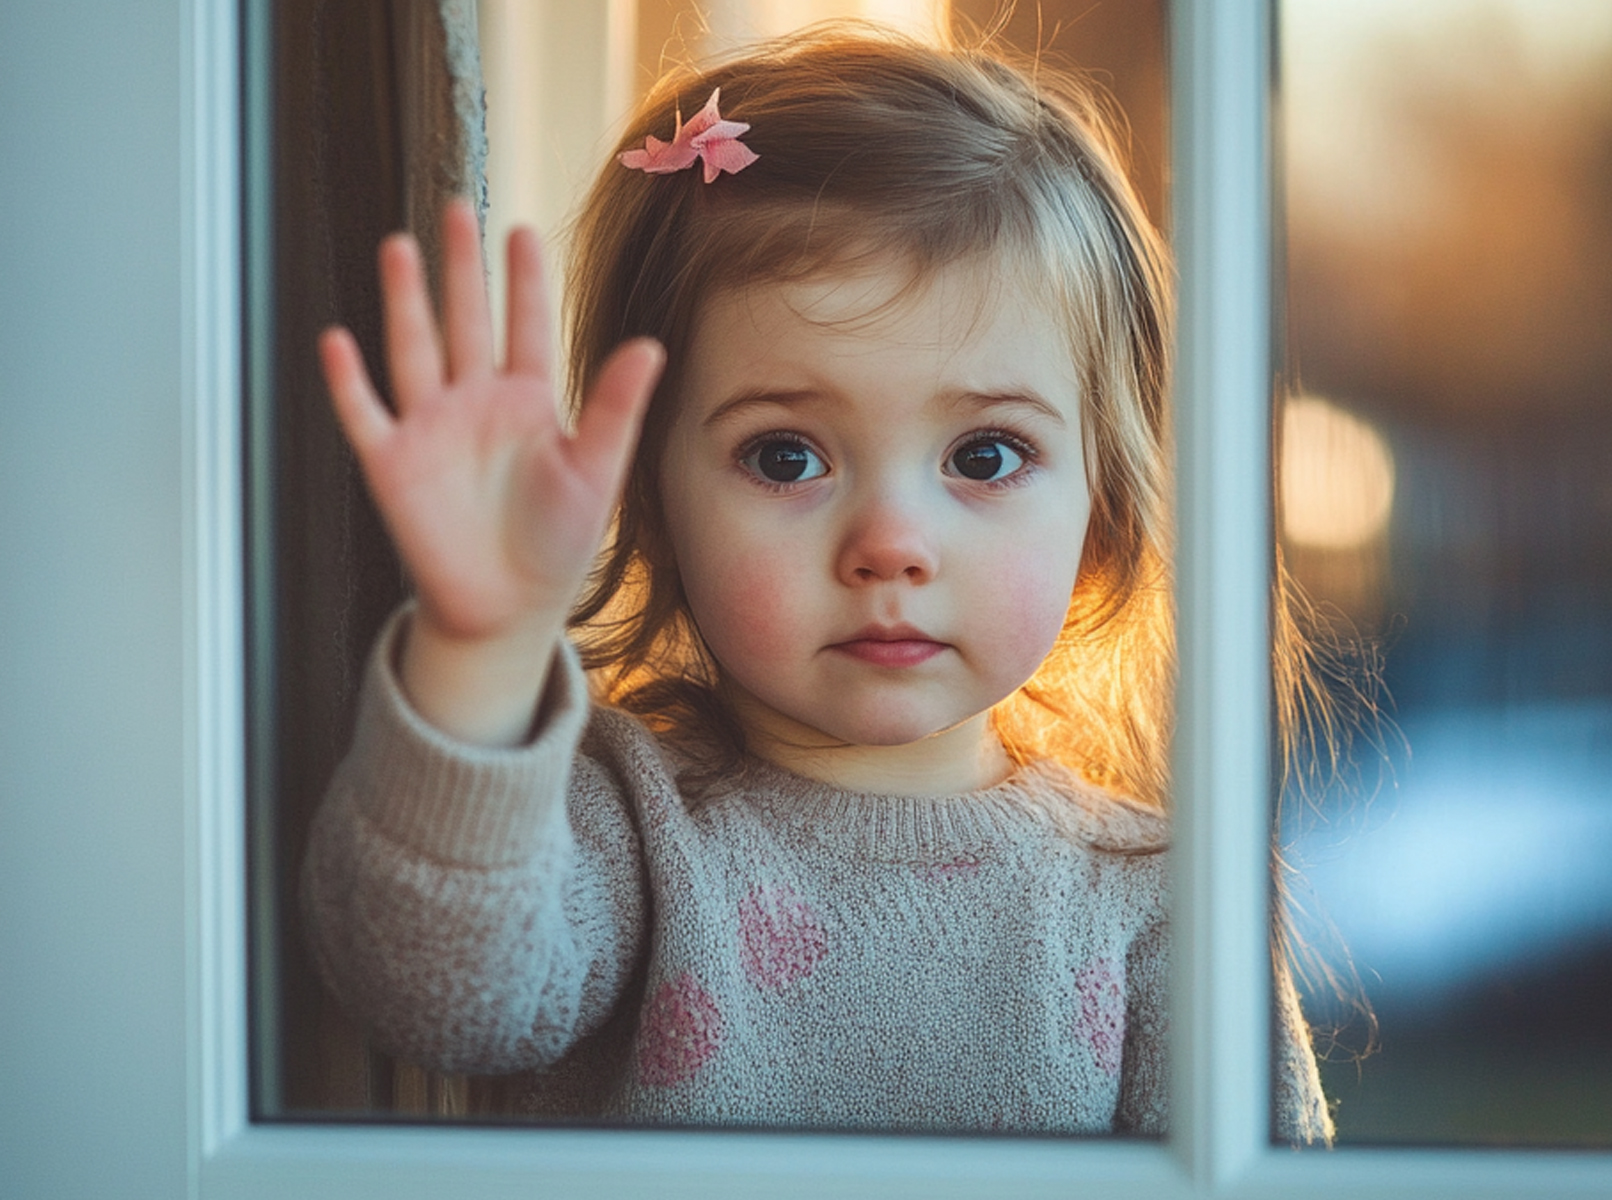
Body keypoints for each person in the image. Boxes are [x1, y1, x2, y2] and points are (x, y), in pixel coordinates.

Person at [300, 24, 1331, 1141]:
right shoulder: (626, 824)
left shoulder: (1160, 908)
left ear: (1106, 510)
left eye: (984, 456)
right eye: (785, 455)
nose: (890, 544)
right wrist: (482, 641)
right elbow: (438, 992)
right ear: (652, 497)